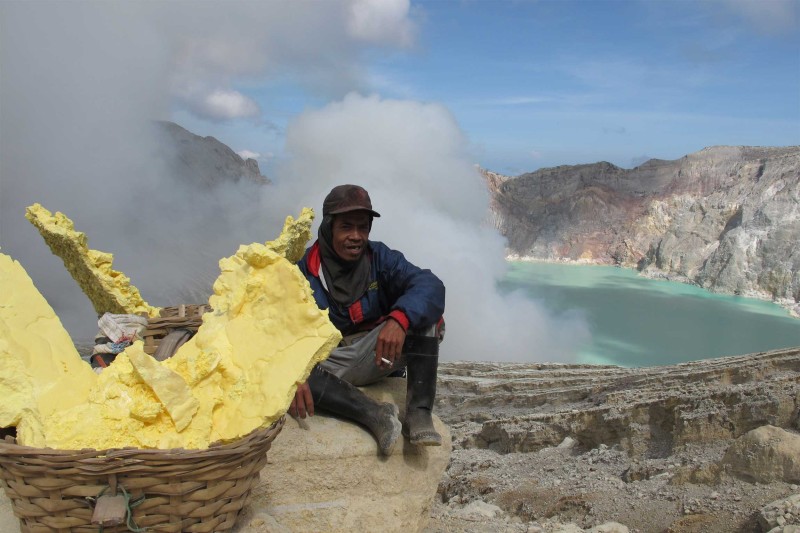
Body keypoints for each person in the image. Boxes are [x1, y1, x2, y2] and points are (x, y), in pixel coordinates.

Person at [291, 184, 446, 456]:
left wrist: (399, 320)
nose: (356, 236)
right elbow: (281, 326)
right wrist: (292, 373)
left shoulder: (380, 258)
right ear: (328, 228)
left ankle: (419, 413)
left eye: (362, 228)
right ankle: (373, 413)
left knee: (428, 318)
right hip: (329, 362)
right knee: (292, 376)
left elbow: (429, 284)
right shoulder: (303, 270)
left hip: (375, 355)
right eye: (346, 227)